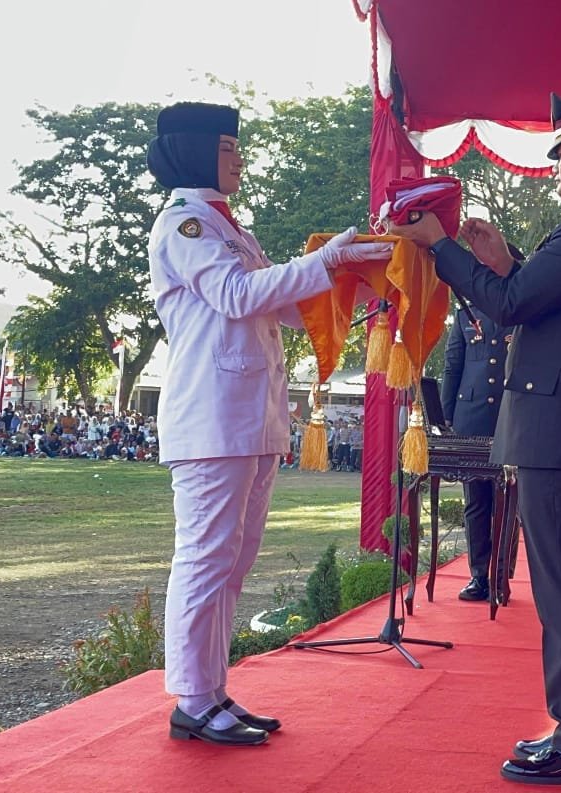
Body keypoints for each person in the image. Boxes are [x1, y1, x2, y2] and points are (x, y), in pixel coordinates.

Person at [390, 93, 561, 784]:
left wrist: (440, 246)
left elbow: (512, 305)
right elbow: (536, 292)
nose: (556, 166)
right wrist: (504, 259)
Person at [146, 102, 390, 746]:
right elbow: (235, 295)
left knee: (233, 561)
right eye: (227, 147)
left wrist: (365, 287)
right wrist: (326, 263)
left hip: (248, 418)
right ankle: (191, 700)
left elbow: (277, 306)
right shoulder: (185, 225)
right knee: (205, 559)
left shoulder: (230, 228)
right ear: (196, 151)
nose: (239, 158)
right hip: (211, 419)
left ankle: (211, 690)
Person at [440, 302, 511, 602]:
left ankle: (501, 574)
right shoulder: (465, 316)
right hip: (471, 419)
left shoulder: (518, 311)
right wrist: (445, 417)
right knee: (476, 502)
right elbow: (453, 365)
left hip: (509, 416)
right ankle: (479, 575)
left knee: (508, 502)